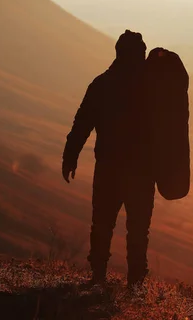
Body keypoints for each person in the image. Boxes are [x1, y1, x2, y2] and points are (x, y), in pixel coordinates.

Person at [62, 30, 155, 288]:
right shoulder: (151, 88)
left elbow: (81, 123)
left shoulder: (102, 84)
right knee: (136, 229)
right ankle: (134, 282)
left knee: (103, 224)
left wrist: (70, 156)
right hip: (139, 172)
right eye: (141, 53)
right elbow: (169, 130)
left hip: (110, 170)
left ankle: (100, 276)